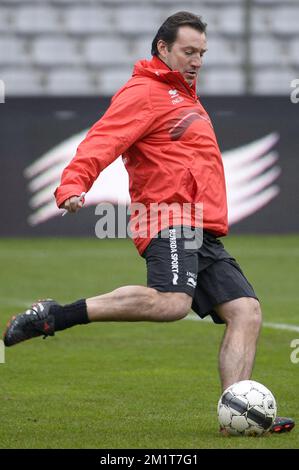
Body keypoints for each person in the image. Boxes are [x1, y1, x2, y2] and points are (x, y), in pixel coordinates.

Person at [4, 11, 294, 434]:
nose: (197, 60)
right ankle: (55, 315)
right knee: (172, 302)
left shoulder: (186, 96)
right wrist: (72, 183)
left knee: (247, 312)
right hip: (166, 216)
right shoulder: (144, 92)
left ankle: (236, 416)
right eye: (188, 52)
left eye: (202, 53)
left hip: (202, 226)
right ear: (163, 48)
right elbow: (102, 139)